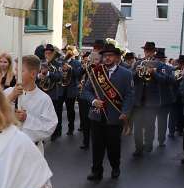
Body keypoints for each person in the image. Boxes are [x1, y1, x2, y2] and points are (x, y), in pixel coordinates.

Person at [82, 44, 135, 180]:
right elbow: (86, 91)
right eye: (105, 56)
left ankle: (115, 167)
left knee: (113, 146)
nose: (107, 58)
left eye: (110, 56)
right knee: (97, 146)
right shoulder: (96, 72)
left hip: (115, 115)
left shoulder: (126, 74)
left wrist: (125, 112)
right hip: (97, 115)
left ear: (117, 58)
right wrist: (94, 101)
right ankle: (96, 171)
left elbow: (129, 95)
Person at [5, 55, 58, 152]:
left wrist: (27, 119)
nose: (16, 74)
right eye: (15, 70)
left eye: (20, 71)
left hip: (31, 151)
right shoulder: (8, 92)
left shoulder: (44, 99)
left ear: (33, 74)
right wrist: (10, 98)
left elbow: (49, 127)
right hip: (8, 149)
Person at [132, 42, 170, 156]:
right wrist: (137, 72)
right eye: (146, 50)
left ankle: (148, 144)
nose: (148, 53)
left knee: (149, 124)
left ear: (154, 52)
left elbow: (164, 80)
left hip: (152, 99)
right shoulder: (138, 63)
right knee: (137, 126)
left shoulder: (159, 65)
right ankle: (138, 147)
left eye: (150, 51)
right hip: (139, 99)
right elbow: (131, 78)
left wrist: (153, 73)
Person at [36, 44, 64, 141]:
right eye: (46, 53)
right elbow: (35, 77)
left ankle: (56, 132)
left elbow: (59, 77)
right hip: (42, 92)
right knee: (41, 114)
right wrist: (39, 76)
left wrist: (47, 73)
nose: (47, 55)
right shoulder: (40, 63)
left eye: (49, 53)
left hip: (53, 93)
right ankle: (41, 134)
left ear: (53, 54)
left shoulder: (57, 64)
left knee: (55, 114)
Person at [60, 46, 83, 136]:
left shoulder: (76, 63)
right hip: (61, 89)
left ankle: (71, 128)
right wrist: (62, 69)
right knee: (58, 110)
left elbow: (78, 75)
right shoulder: (61, 62)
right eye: (66, 51)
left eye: (69, 52)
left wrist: (70, 68)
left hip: (71, 90)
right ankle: (57, 130)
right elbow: (59, 74)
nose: (67, 53)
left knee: (70, 110)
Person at [155, 48, 173, 147]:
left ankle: (161, 139)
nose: (158, 61)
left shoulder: (169, 69)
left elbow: (171, 80)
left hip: (164, 99)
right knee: (152, 121)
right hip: (153, 98)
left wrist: (157, 73)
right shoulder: (149, 66)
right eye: (157, 59)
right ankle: (151, 139)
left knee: (162, 121)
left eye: (159, 59)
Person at [168, 55, 184, 137]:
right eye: (181, 63)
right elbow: (174, 82)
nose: (182, 65)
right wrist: (181, 76)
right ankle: (171, 131)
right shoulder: (175, 70)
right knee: (173, 114)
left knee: (182, 114)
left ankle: (180, 129)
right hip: (175, 95)